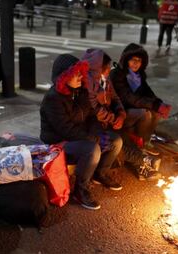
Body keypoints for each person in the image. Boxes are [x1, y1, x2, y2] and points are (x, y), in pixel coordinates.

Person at [40, 54, 123, 210]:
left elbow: (92, 117)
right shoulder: (53, 98)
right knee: (92, 149)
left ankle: (100, 173)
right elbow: (65, 129)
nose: (80, 77)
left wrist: (98, 134)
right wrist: (94, 139)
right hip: (58, 142)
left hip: (78, 136)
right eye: (75, 74)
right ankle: (80, 189)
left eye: (80, 72)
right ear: (63, 77)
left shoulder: (80, 91)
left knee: (116, 140)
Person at [82, 48, 161, 181]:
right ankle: (142, 161)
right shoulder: (88, 85)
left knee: (125, 134)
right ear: (98, 68)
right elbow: (93, 110)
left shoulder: (105, 81)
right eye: (106, 67)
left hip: (108, 121)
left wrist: (121, 115)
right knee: (117, 140)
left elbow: (116, 99)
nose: (109, 70)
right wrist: (113, 118)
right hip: (94, 126)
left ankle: (142, 162)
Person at [110, 43, 172, 153]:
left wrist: (160, 104)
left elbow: (148, 93)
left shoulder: (139, 76)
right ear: (126, 60)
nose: (136, 63)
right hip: (120, 111)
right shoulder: (117, 74)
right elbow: (129, 98)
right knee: (145, 113)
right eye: (132, 59)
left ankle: (145, 141)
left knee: (156, 112)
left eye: (139, 60)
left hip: (133, 108)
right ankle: (140, 146)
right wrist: (155, 105)